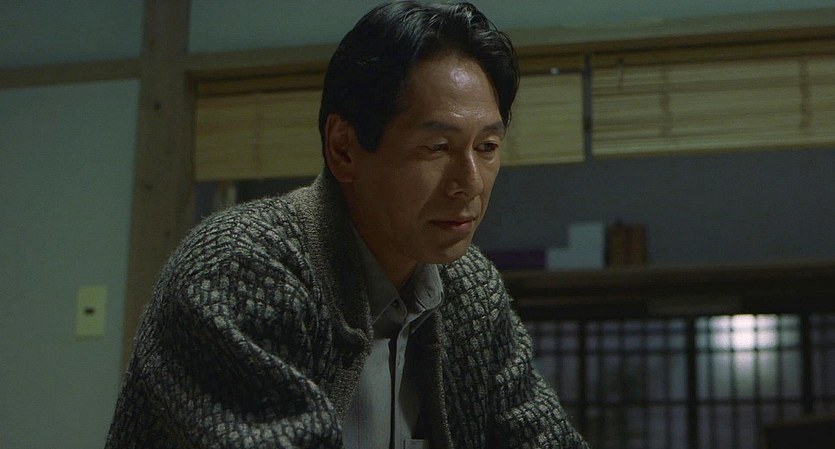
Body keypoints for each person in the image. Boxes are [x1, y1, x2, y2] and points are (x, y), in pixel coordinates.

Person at [106, 2, 589, 448]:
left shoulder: (469, 286)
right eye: (437, 147)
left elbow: (540, 435)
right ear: (344, 148)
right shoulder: (240, 264)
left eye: (486, 148)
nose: (470, 183)